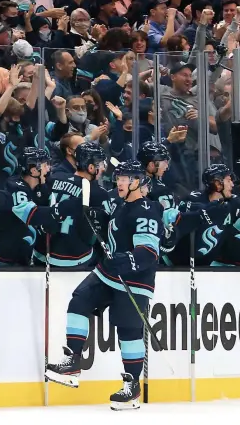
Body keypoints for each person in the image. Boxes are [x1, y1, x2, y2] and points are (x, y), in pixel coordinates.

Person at [45, 160, 162, 411]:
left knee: (129, 331)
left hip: (135, 280)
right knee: (79, 299)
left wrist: (127, 259)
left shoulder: (147, 210)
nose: (118, 182)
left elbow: (149, 252)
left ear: (138, 181)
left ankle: (132, 387)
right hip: (108, 272)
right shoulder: (120, 205)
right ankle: (73, 360)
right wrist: (97, 217)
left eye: (124, 178)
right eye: (118, 177)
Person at [0, 147, 57, 266]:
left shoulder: (41, 188)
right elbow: (31, 215)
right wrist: (57, 211)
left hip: (18, 255)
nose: (48, 169)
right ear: (34, 170)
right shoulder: (15, 187)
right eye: (45, 165)